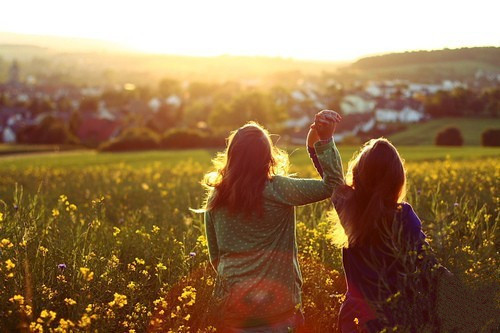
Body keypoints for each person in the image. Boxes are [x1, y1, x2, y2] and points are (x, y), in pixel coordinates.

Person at [201, 111, 343, 332]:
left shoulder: (216, 198)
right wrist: (323, 141)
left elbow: (216, 258)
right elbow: (334, 185)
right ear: (269, 157)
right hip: (279, 311)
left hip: (232, 311)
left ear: (232, 155)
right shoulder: (278, 189)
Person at [307, 137, 446, 332]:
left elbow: (331, 175)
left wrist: (319, 141)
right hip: (394, 314)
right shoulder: (403, 216)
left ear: (356, 176)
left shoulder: (349, 209)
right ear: (397, 180)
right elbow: (427, 263)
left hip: (354, 316)